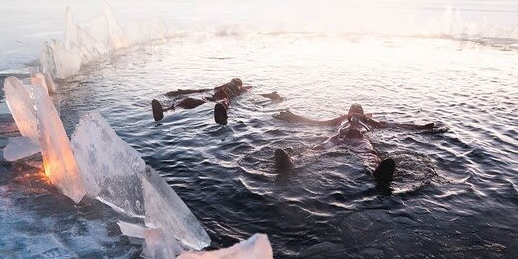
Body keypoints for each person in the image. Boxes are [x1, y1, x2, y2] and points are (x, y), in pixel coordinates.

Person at [273, 103, 440, 185]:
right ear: (348, 112)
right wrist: (294, 117)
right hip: (340, 137)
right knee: (319, 148)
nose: (354, 112)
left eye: (357, 110)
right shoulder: (341, 119)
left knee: (369, 154)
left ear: (361, 112)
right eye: (352, 110)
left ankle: (379, 173)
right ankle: (291, 162)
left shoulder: (370, 120)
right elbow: (316, 122)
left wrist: (421, 127)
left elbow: (397, 125)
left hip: (358, 139)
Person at [152, 78, 283, 125]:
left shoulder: (241, 89)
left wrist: (270, 95)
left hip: (223, 98)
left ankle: (222, 117)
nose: (234, 82)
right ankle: (165, 111)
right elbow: (201, 90)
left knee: (224, 103)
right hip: (210, 97)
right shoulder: (222, 86)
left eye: (236, 82)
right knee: (189, 100)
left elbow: (255, 94)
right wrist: (181, 92)